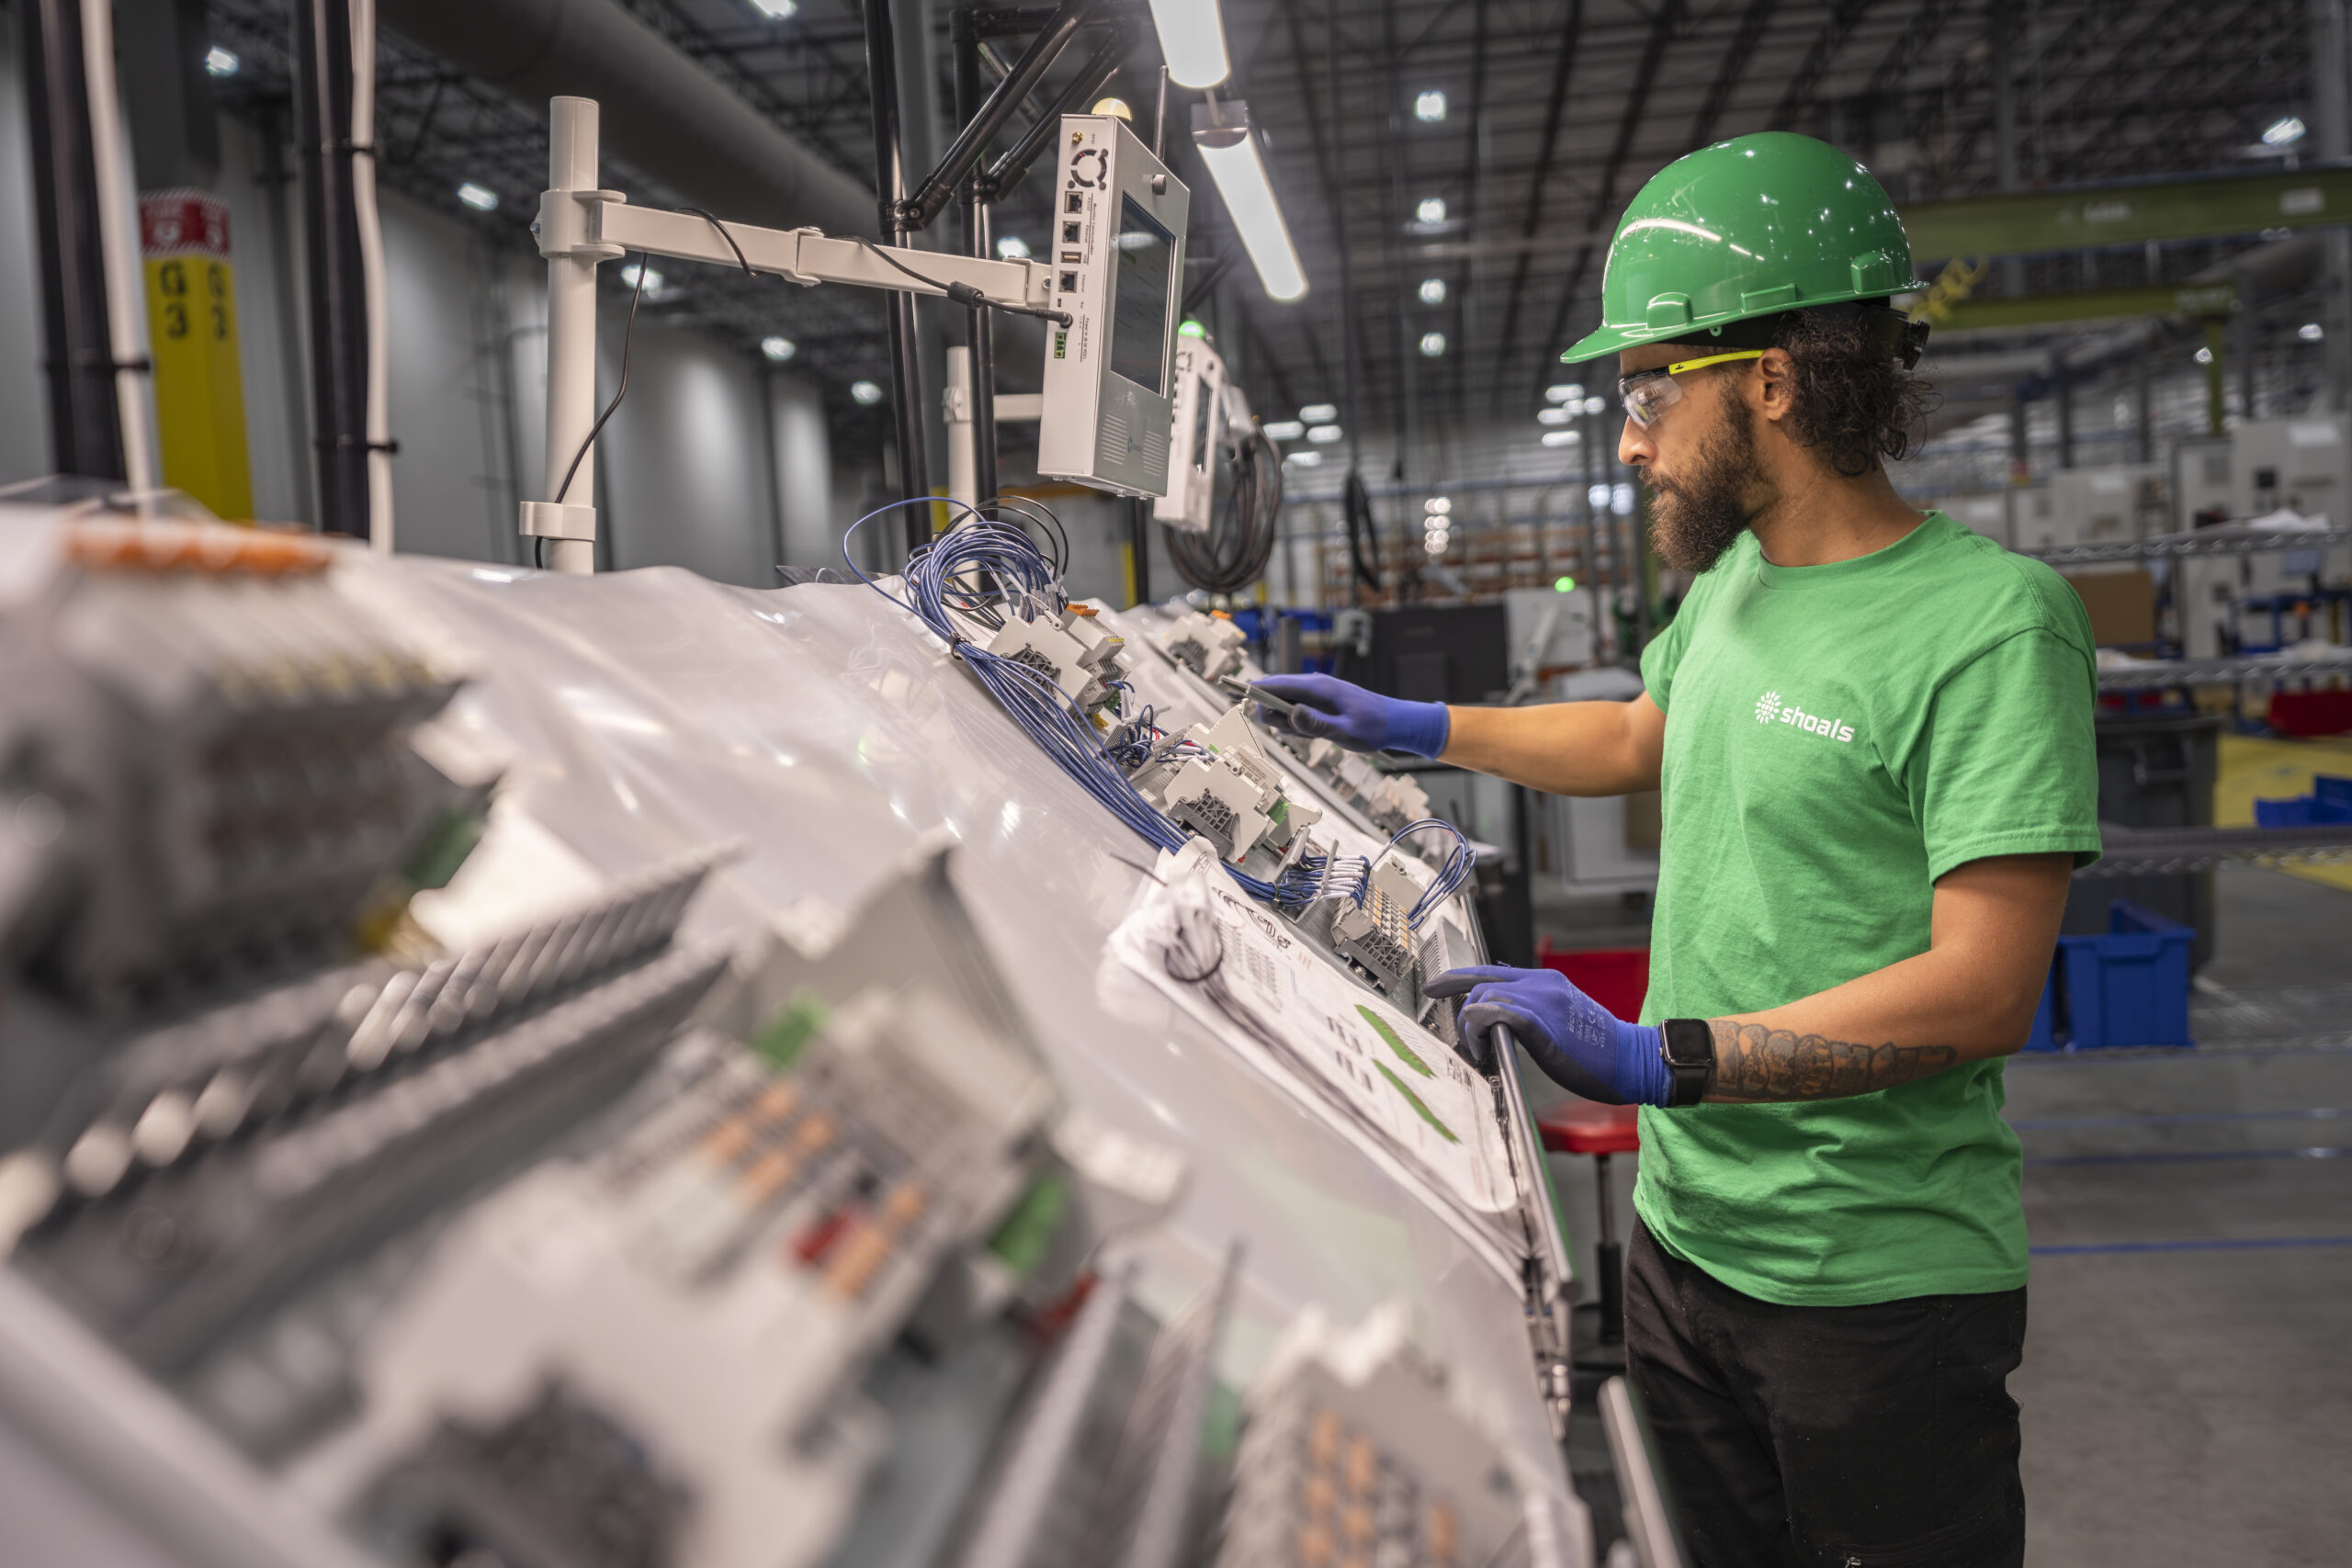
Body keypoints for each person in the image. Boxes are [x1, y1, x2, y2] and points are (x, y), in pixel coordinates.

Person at [1253, 132, 2098, 1568]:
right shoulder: (1738, 586)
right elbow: (1649, 734)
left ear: (1771, 379)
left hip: (1872, 1288)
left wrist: (1666, 1057)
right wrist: (1418, 724)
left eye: (1650, 391)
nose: (1632, 437)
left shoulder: (1993, 624)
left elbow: (1981, 991)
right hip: (1683, 1242)